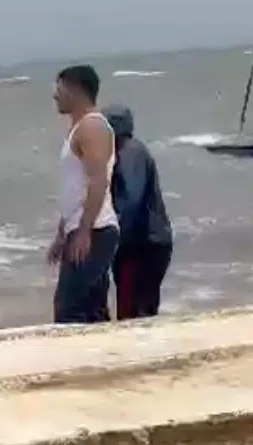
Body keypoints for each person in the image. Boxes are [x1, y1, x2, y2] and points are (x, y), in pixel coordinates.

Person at [45, 65, 121, 324]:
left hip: (96, 230)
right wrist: (62, 234)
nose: (55, 95)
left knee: (70, 309)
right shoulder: (79, 129)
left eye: (59, 88)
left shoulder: (93, 128)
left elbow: (98, 181)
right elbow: (74, 188)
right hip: (81, 229)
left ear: (76, 90)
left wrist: (85, 231)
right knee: (89, 309)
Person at [104, 105, 173, 319]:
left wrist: (114, 237)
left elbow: (130, 198)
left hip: (141, 245)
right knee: (141, 307)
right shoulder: (132, 150)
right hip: (151, 241)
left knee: (133, 311)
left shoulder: (128, 153)